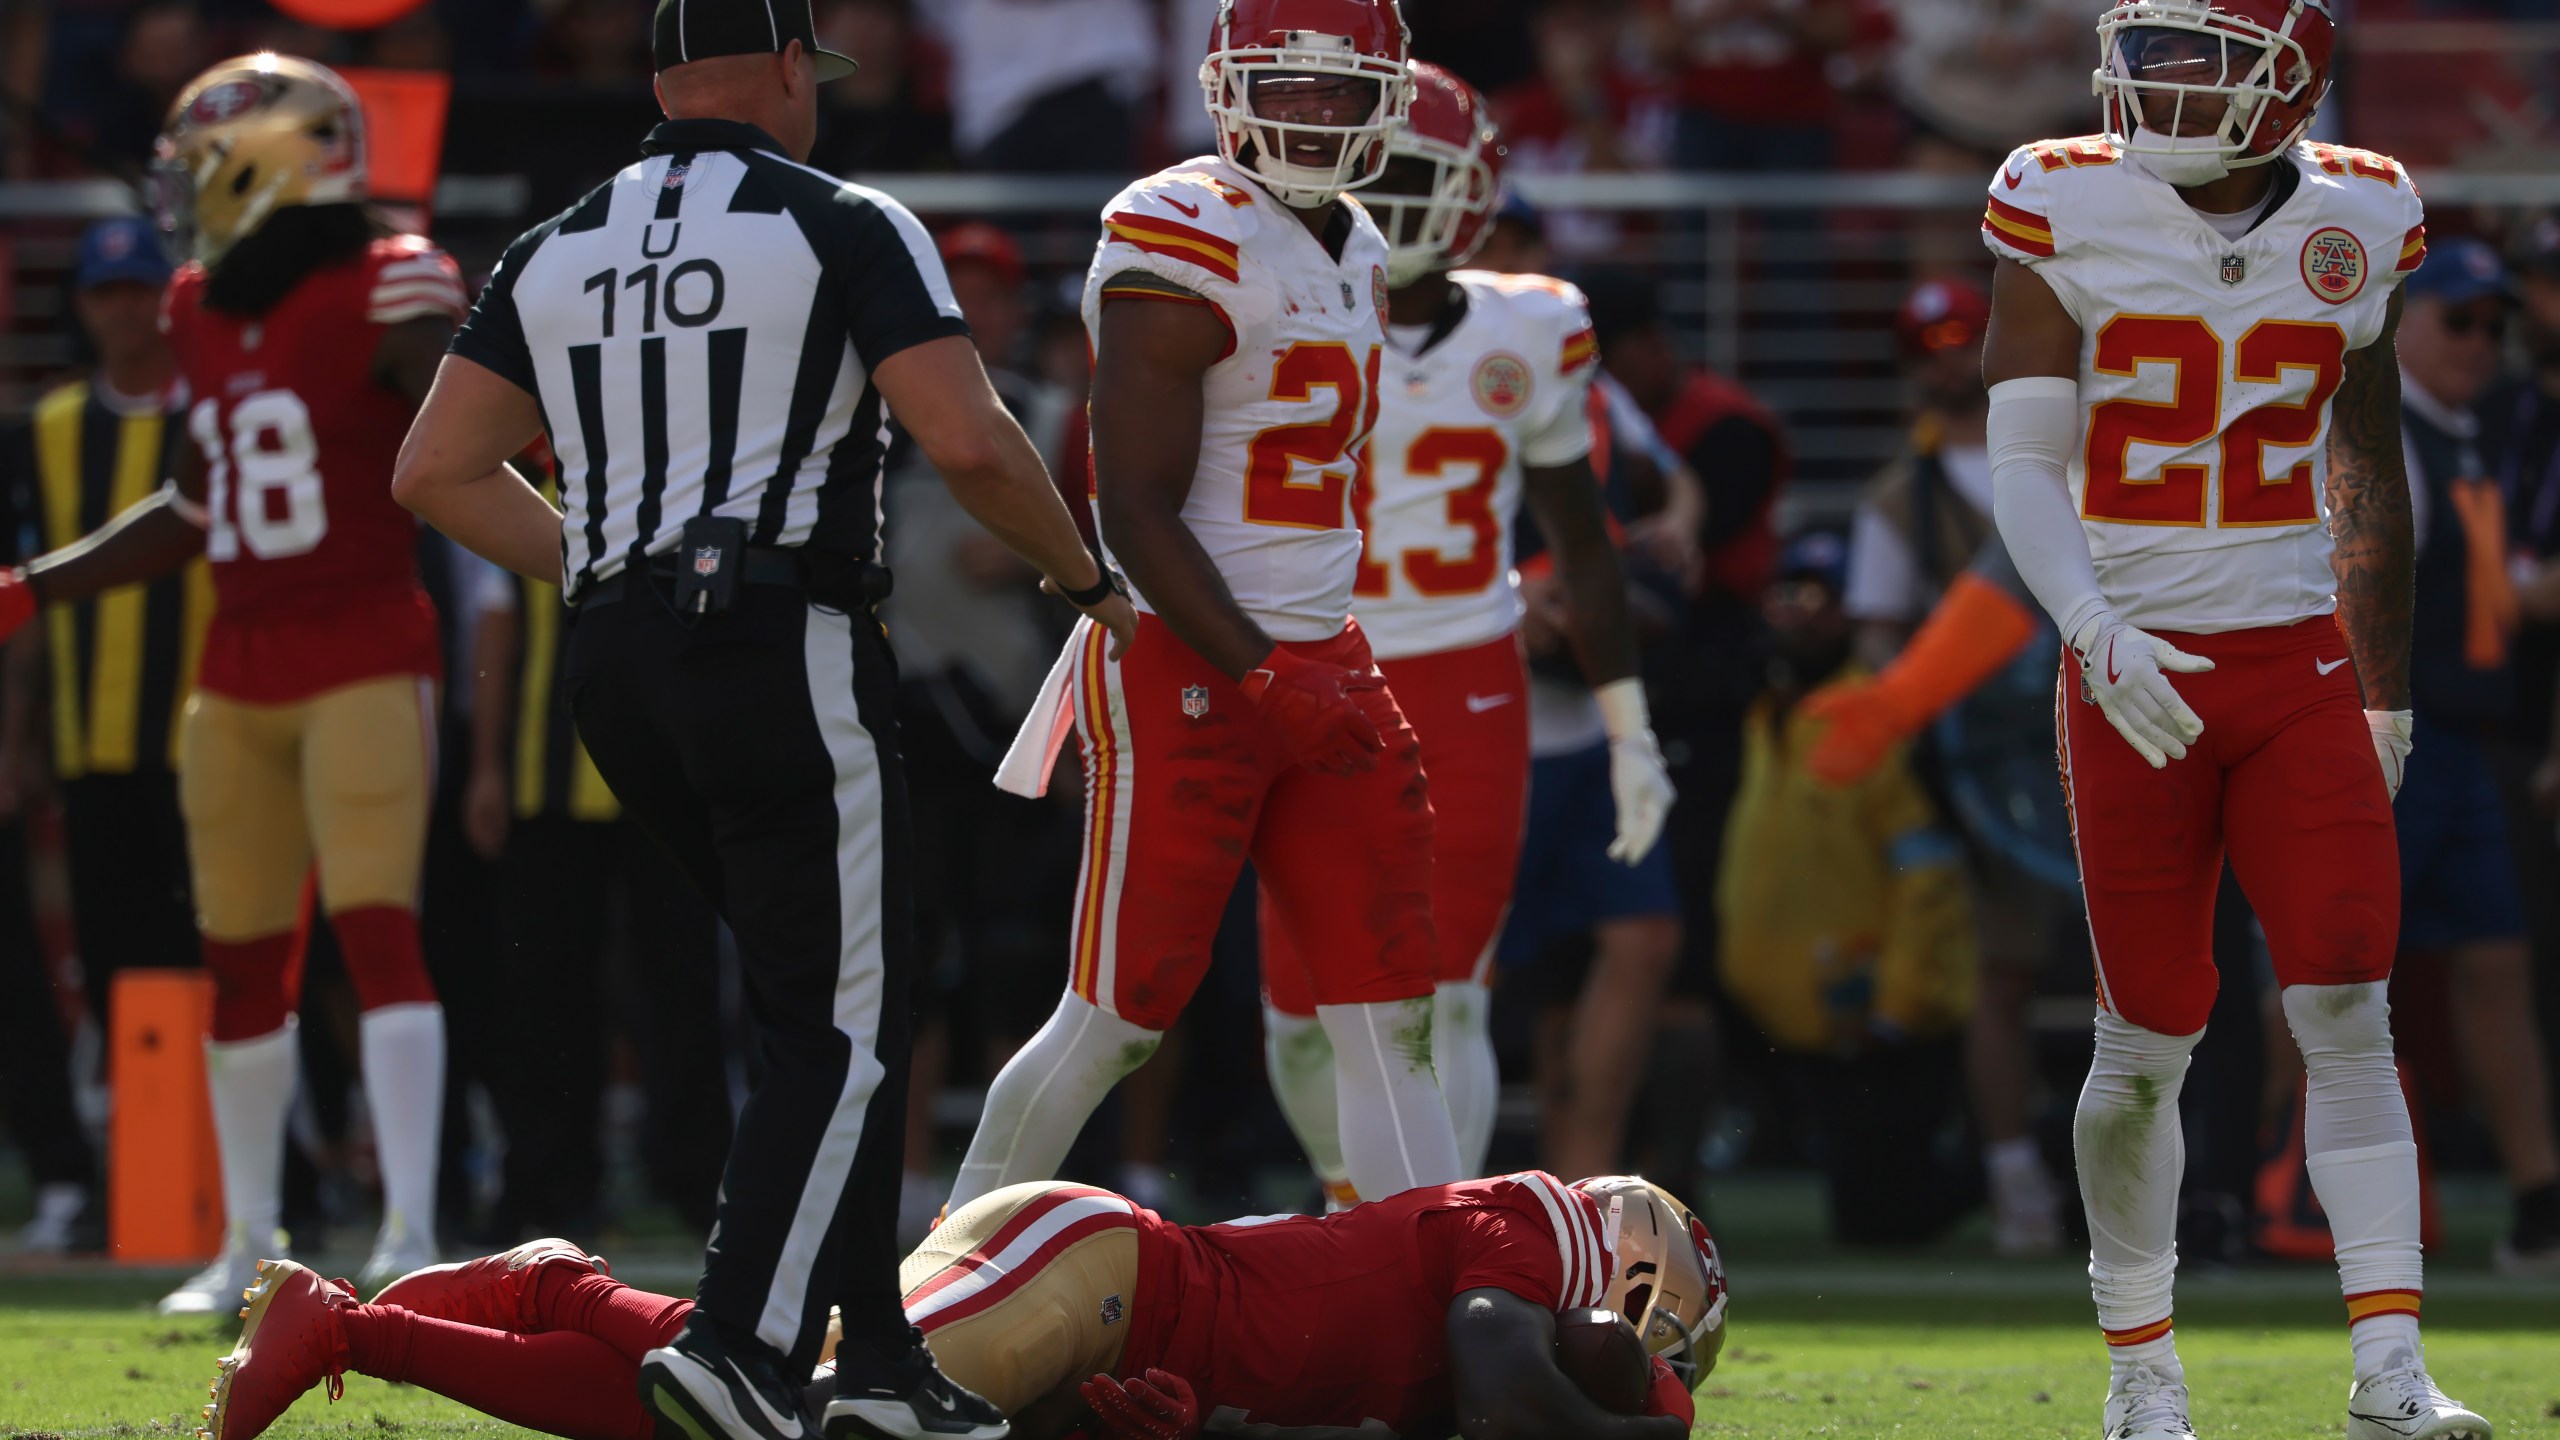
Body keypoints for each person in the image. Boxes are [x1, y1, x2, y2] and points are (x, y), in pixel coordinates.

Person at [387, 1, 1136, 1435]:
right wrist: (1088, 579)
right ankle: (740, 1346)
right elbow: (969, 439)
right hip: (781, 639)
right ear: (792, 69)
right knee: (846, 1024)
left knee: (814, 1008)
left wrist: (609, 561)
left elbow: (435, 469)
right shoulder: (843, 217)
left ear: (666, 81)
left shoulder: (553, 243)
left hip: (617, 662)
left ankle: (887, 1372)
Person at [1976, 2, 2483, 1435]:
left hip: (2292, 664)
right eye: (2154, 46)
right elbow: (2022, 457)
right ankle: (2144, 1371)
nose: (2159, 80)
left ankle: (2390, 1367)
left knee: (2345, 998)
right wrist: (2091, 628)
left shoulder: (2365, 212)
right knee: (2146, 1037)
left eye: (2203, 55)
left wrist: (2381, 685)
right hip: (2130, 665)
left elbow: (2367, 464)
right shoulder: (2059, 193)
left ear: (2290, 86)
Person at [955, 0, 1467, 1214]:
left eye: (1335, 93)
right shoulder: (1178, 225)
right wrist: (1262, 673)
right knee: (1116, 1018)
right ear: (1228, 89)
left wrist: (1307, 671)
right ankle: (928, 1283)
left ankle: (1442, 1299)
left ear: (1384, 100)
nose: (1306, 114)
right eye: (1281, 87)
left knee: (1390, 1014)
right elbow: (1129, 510)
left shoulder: (1353, 244)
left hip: (1321, 659)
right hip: (1188, 662)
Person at [0, 59, 464, 1306]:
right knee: (240, 957)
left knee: (378, 935)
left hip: (365, 641)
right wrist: (36, 583)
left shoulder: (389, 284)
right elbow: (201, 502)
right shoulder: (200, 304)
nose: (184, 193)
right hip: (238, 667)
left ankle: (410, 1226)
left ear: (264, 160)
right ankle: (248, 1238)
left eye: (201, 165)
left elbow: (470, 424)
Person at [1258, 61, 1673, 1200]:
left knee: (1446, 992)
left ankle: (1432, 1233)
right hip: (1303, 673)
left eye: (1415, 181)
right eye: (1373, 178)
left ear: (1476, 193)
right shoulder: (1264, 302)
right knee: (1299, 1012)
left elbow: (1584, 544)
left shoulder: (1533, 324)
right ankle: (1355, 1204)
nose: (1388, 208)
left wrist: (1627, 728)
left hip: (1461, 676)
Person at [198, 1172, 1721, 1440]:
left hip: (1104, 1336)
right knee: (781, 1421)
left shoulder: (1470, 1350)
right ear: (1629, 1279)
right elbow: (1515, 1383)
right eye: (1652, 1350)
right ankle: (548, 1286)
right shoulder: (1522, 1226)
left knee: (746, 1423)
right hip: (1096, 1272)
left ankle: (363, 1327)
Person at [1829, 277, 2070, 1256]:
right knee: (1999, 975)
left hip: (2112, 724)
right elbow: (1880, 636)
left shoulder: (2071, 456)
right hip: (1992, 769)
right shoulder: (1901, 495)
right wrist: (1912, 713)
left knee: (2151, 976)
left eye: (1964, 338)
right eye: (1929, 343)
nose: (1949, 358)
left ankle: (2164, 1177)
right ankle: (2016, 1178)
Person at [1719, 529, 1978, 1243]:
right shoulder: (1766, 712)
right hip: (1796, 1016)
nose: (1797, 613)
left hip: (1873, 1016)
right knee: (1854, 1209)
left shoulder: (1878, 715)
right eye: (1784, 594)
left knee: (1886, 1219)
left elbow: (1928, 875)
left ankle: (2028, 1170)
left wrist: (1901, 999)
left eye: (1818, 597)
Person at [2389, 238, 2560, 1276]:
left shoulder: (2475, 435)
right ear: (2404, 322)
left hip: (2466, 739)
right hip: (2394, 734)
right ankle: (2266, 1183)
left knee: (2496, 962)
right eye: (2457, 321)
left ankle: (2539, 1194)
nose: (2478, 343)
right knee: (2330, 972)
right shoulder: (2380, 433)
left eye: (2492, 327)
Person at [0, 216, 205, 1044]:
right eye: (104, 292)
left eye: (139, 290)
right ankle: (146, 1163)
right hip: (92, 751)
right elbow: (33, 599)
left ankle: (266, 1168)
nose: (124, 311)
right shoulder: (45, 430)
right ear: (80, 306)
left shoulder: (218, 412)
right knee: (120, 968)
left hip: (214, 742)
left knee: (224, 963)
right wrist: (22, 739)